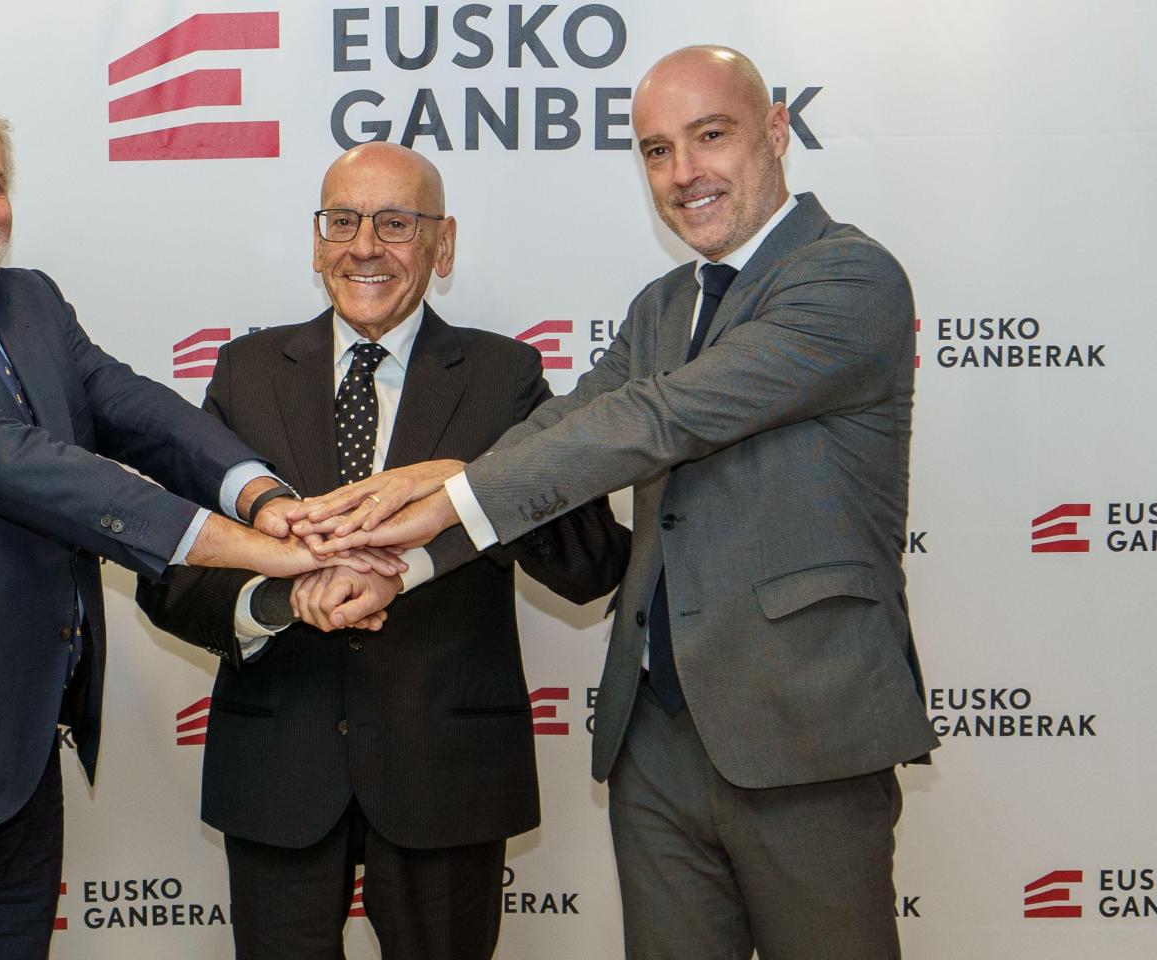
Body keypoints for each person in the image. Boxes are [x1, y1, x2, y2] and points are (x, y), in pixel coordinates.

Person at [296, 47, 938, 959]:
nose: (684, 173)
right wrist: (409, 559)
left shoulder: (848, 278)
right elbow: (566, 424)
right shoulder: (664, 303)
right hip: (656, 735)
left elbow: (657, 419)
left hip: (804, 727)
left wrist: (444, 486)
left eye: (709, 136)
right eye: (656, 150)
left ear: (776, 130)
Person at [0, 79, 377, 960]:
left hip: (14, 760)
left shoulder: (30, 303)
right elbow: (34, 473)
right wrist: (261, 555)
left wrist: (266, 499)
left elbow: (136, 411)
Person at [136, 142, 629, 960]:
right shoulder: (246, 372)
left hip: (447, 774)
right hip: (279, 771)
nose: (364, 247)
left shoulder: (504, 375)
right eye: (343, 221)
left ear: (443, 244)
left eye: (396, 223)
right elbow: (174, 571)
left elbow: (590, 566)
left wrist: (475, 481)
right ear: (317, 240)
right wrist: (281, 599)